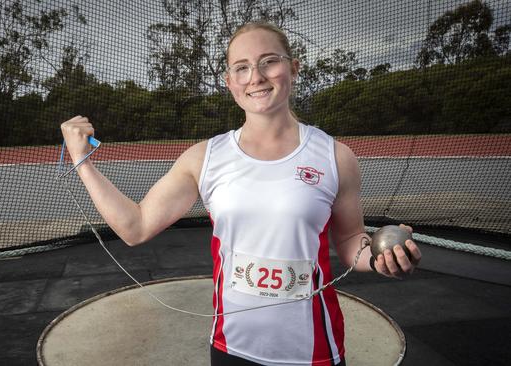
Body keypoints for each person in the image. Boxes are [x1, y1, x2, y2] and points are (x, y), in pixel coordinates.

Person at [61, 21, 422, 366]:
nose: (257, 77)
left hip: (312, 350)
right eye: (242, 67)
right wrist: (83, 162)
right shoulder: (205, 158)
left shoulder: (335, 157)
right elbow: (135, 227)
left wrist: (380, 259)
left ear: (293, 69)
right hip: (232, 347)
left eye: (269, 61)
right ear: (230, 82)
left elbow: (349, 243)